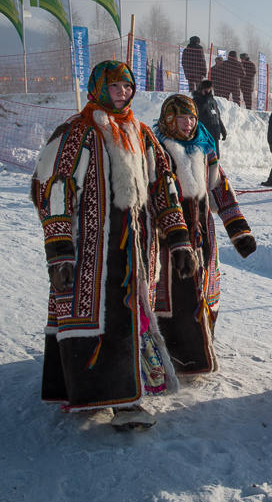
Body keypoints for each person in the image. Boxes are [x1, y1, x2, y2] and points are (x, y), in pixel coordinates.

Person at [31, 60, 196, 431]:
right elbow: (55, 189)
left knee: (130, 320)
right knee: (97, 320)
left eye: (128, 85)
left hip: (136, 248)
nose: (123, 92)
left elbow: (163, 188)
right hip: (92, 251)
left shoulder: (140, 132)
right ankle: (98, 393)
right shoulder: (78, 132)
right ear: (99, 88)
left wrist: (179, 238)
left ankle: (126, 398)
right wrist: (59, 250)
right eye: (116, 85)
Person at [152, 94, 256, 376]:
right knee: (175, 294)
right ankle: (174, 355)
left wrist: (238, 230)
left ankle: (199, 348)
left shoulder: (204, 146)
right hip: (166, 233)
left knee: (203, 290)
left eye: (193, 118)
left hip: (201, 231)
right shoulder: (155, 148)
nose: (189, 124)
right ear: (169, 118)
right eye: (182, 118)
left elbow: (221, 189)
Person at [192, 80, 227, 158]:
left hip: (214, 132)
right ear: (201, 89)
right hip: (204, 134)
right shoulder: (196, 100)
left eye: (209, 89)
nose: (208, 92)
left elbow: (217, 116)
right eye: (206, 90)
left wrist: (222, 129)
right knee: (207, 158)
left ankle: (216, 169)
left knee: (216, 157)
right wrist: (205, 100)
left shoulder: (212, 101)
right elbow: (198, 113)